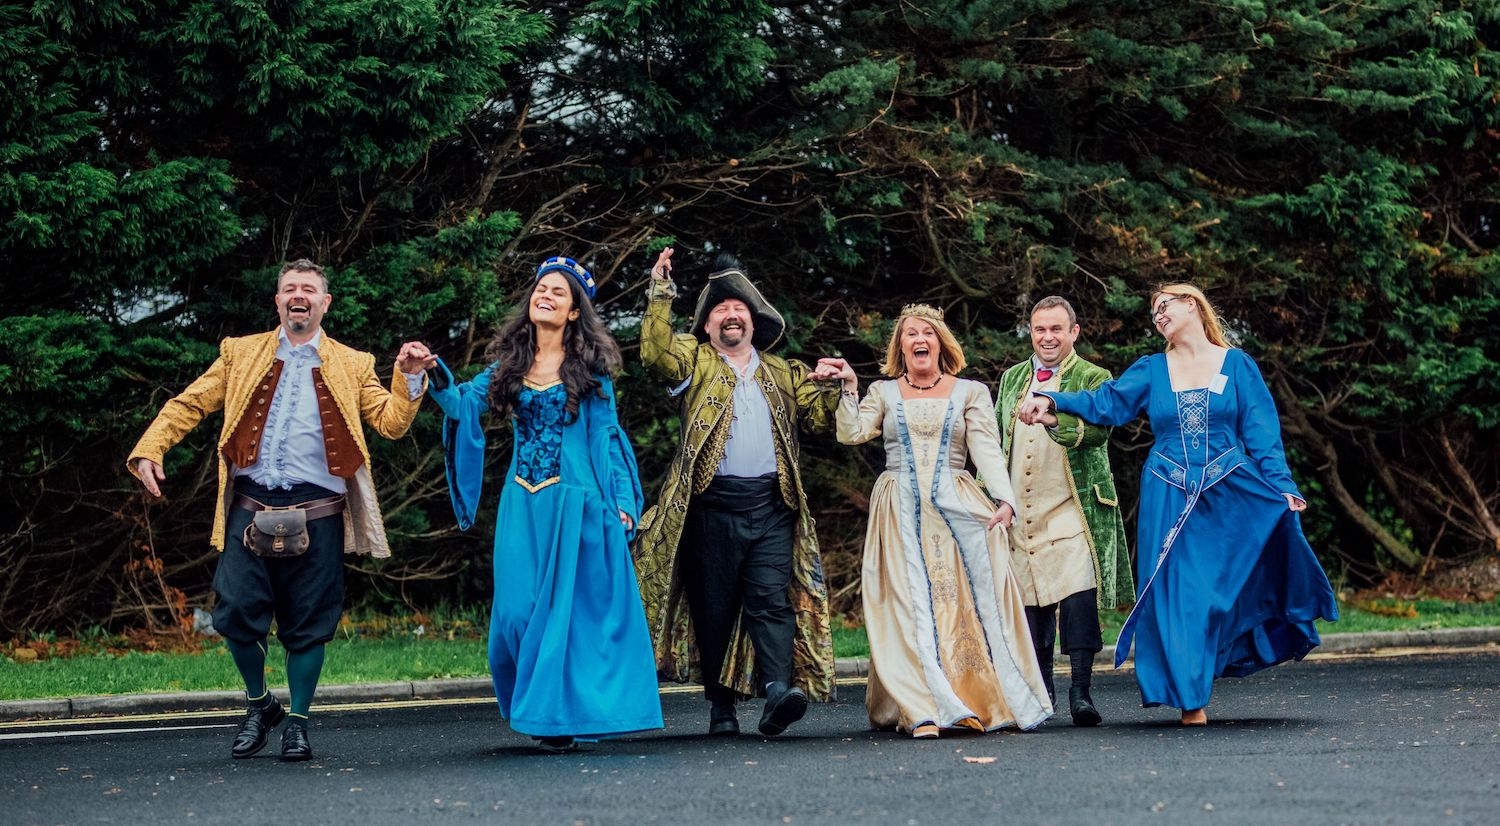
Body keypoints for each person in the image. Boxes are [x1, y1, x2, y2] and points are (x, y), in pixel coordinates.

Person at [126, 259, 430, 761]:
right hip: (250, 508)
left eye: (309, 289)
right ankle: (259, 703)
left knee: (309, 623)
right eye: (290, 288)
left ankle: (298, 722)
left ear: (324, 303)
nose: (299, 295)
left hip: (319, 512)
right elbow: (191, 403)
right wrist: (151, 447)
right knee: (235, 613)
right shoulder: (240, 352)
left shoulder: (353, 363)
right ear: (278, 301)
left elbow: (391, 423)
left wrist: (409, 378)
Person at [1017, 284, 1338, 725]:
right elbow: (1106, 402)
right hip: (1168, 492)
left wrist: (1283, 486)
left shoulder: (1237, 365)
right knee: (1179, 596)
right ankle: (1191, 700)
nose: (1158, 316)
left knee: (1214, 596)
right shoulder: (1152, 368)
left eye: (1164, 306)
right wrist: (1054, 399)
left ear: (1193, 305)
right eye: (1153, 312)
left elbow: (1263, 435)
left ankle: (1209, 668)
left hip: (1227, 495)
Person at [427, 256, 662, 753]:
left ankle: (555, 720)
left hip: (575, 505)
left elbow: (607, 436)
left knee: (567, 618)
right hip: (523, 504)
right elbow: (462, 406)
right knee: (516, 613)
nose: (546, 295)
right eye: (541, 288)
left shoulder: (593, 373)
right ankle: (543, 709)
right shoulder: (508, 366)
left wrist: (621, 499)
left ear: (575, 311)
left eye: (558, 291)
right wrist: (432, 372)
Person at [817, 304, 1053, 738]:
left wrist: (1004, 499)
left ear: (941, 342)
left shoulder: (969, 392)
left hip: (955, 508)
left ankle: (975, 697)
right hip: (899, 508)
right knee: (908, 604)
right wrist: (850, 387)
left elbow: (986, 449)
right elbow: (851, 433)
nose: (919, 339)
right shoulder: (884, 393)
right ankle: (922, 705)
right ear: (901, 346)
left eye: (927, 332)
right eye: (910, 334)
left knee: (961, 606)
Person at [633, 248, 840, 737]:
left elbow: (817, 417)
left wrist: (831, 385)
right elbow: (655, 353)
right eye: (721, 310)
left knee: (771, 600)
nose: (731, 314)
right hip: (710, 507)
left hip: (773, 506)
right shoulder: (695, 361)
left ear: (754, 322)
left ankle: (775, 692)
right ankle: (721, 707)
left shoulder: (784, 373)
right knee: (716, 606)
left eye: (739, 309)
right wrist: (660, 293)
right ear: (706, 326)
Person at [994, 296, 1134, 726]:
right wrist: (993, 496)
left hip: (1073, 506)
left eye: (1056, 329)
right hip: (1023, 507)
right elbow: (997, 440)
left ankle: (1080, 692)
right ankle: (1043, 693)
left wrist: (1055, 419)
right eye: (1040, 329)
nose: (1047, 337)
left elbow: (1098, 432)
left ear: (1074, 332)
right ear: (1030, 332)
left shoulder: (1094, 376)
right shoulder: (1012, 378)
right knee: (1031, 603)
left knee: (1077, 597)